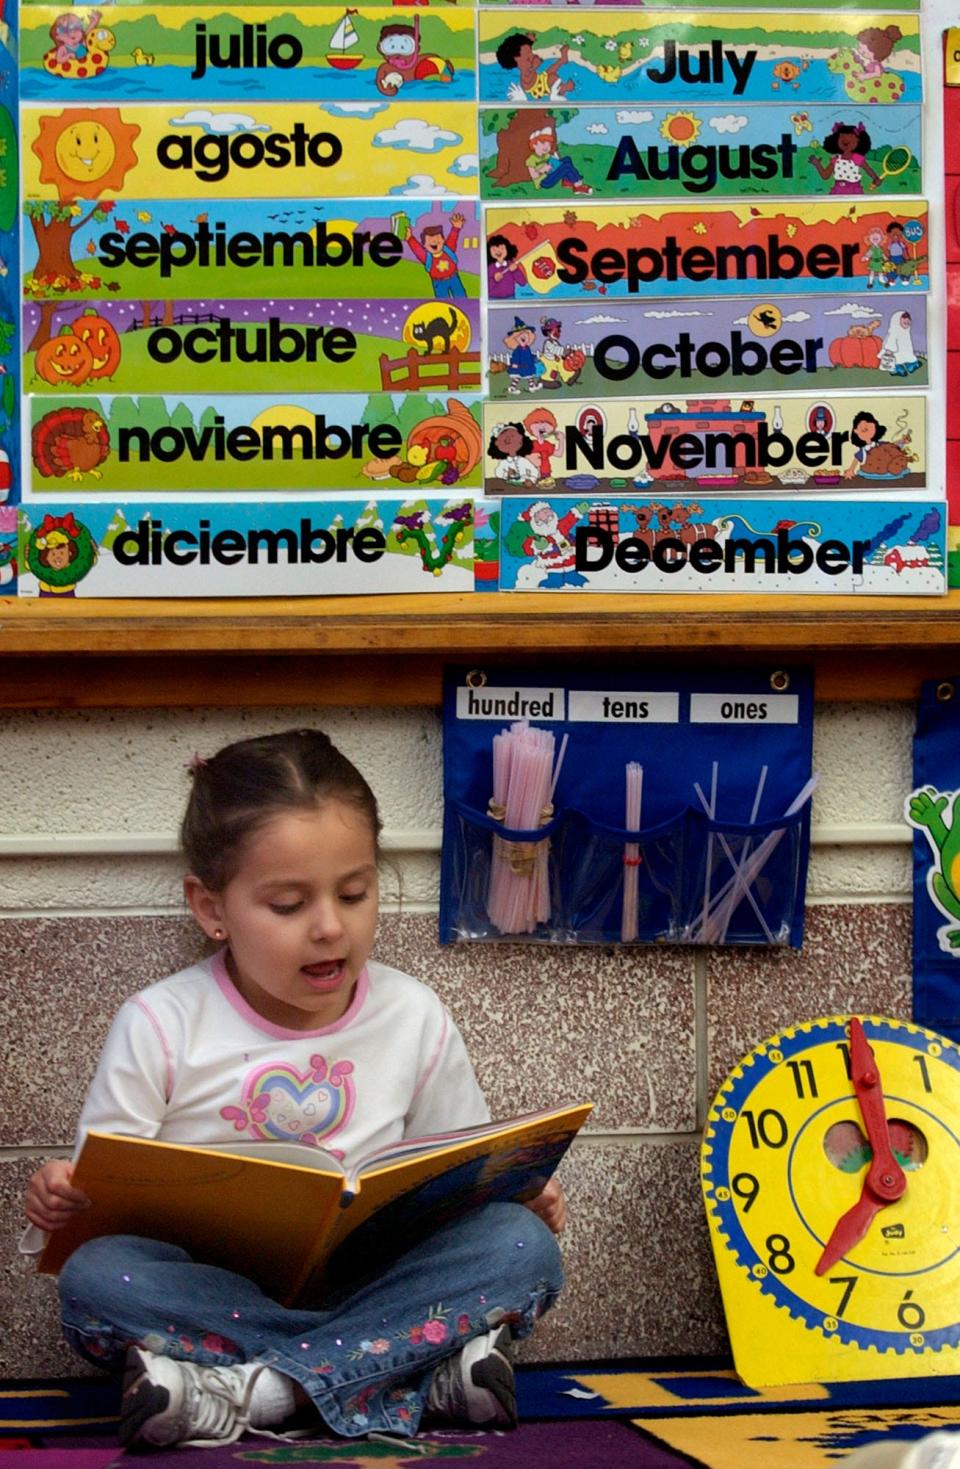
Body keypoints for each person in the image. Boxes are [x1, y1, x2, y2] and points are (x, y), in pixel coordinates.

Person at [23, 729, 565, 1452]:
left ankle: (253, 1391)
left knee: (519, 1247)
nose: (329, 927)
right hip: (218, 1296)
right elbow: (102, 1205)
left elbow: (458, 1170)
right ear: (211, 907)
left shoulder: (413, 1015)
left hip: (377, 1284)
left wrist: (512, 1189)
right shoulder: (160, 1022)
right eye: (287, 904)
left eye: (354, 892)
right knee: (98, 1280)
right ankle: (404, 1373)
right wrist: (63, 1197)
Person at [809, 122, 879, 195]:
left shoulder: (857, 158)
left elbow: (868, 169)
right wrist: (817, 164)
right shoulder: (836, 160)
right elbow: (825, 176)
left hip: (854, 190)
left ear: (858, 141)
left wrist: (875, 178)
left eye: (851, 137)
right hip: (838, 190)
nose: (845, 140)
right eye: (842, 136)